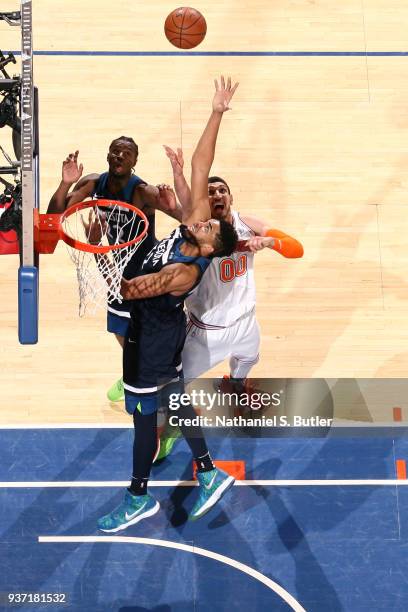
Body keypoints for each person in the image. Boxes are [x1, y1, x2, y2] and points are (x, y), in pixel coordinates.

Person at [97, 76, 239, 532]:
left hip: (153, 339)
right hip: (161, 332)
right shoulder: (192, 230)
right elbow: (202, 164)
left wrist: (104, 261)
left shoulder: (184, 271)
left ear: (212, 248)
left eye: (213, 227)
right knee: (174, 398)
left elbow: (135, 289)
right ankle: (209, 471)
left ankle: (138, 496)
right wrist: (216, 111)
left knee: (143, 419)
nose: (206, 220)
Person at [154, 146, 304, 459]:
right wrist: (179, 172)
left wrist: (270, 242)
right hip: (205, 332)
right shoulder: (199, 231)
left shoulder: (248, 224)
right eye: (210, 191)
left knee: (248, 360)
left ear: (230, 199)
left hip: (246, 322)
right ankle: (168, 427)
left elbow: (296, 249)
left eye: (223, 190)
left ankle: (234, 386)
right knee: (174, 388)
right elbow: (184, 205)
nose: (217, 194)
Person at [47, 137, 181, 402]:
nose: (119, 155)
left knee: (147, 341)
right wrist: (65, 183)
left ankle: (161, 389)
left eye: (126, 153)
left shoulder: (142, 191)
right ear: (108, 156)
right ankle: (132, 370)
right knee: (120, 331)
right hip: (117, 269)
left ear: (134, 162)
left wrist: (173, 203)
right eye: (115, 151)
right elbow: (55, 214)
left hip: (145, 271)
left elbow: (186, 217)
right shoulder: (95, 183)